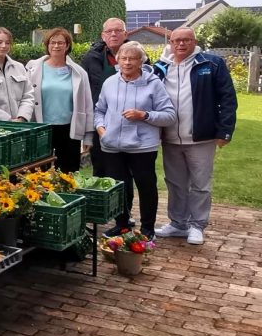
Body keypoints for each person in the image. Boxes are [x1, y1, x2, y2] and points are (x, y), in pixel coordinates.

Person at [152, 27, 238, 246]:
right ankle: (178, 223)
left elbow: (228, 98)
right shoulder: (161, 67)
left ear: (195, 42)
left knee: (200, 184)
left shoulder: (211, 64)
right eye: (176, 40)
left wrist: (225, 130)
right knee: (175, 183)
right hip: (170, 137)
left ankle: (197, 225)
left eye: (186, 40)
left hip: (201, 137)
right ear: (170, 43)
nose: (181, 44)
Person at [93, 41, 176, 239]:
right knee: (118, 188)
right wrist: (101, 130)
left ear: (141, 61)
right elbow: (99, 110)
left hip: (142, 147)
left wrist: (144, 115)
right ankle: (122, 224)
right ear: (118, 60)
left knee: (146, 187)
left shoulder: (153, 83)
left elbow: (169, 115)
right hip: (112, 145)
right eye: (123, 58)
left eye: (132, 58)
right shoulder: (110, 82)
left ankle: (147, 228)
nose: (127, 62)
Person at [25, 28, 95, 173]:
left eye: (60, 43)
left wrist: (88, 136)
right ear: (47, 45)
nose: (56, 46)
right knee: (38, 174)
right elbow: (25, 97)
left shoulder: (79, 72)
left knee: (68, 173)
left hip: (69, 130)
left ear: (67, 45)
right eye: (53, 42)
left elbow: (87, 105)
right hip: (41, 128)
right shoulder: (33, 69)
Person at [82, 18, 130, 175]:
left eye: (118, 31)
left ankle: (125, 192)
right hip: (100, 121)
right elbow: (84, 90)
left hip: (129, 121)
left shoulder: (138, 55)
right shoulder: (91, 58)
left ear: (126, 34)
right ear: (103, 36)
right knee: (100, 167)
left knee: (126, 169)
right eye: (109, 31)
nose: (113, 34)